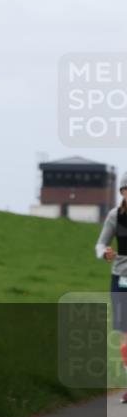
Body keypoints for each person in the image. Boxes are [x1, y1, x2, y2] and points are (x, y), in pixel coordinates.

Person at [95, 171, 127, 404]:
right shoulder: (115, 216)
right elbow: (101, 243)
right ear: (122, 192)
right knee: (124, 334)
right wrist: (104, 253)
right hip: (121, 276)